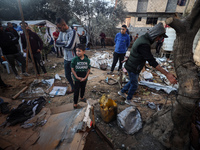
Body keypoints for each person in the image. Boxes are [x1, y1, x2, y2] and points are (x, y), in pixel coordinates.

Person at [118, 22, 177, 105]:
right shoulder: (144, 44)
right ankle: (128, 99)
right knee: (134, 84)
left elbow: (136, 52)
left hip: (133, 65)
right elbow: (152, 61)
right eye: (159, 37)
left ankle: (122, 91)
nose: (159, 39)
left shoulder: (143, 38)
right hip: (133, 67)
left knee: (132, 81)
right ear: (156, 35)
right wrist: (167, 74)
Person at [56, 18, 80, 94]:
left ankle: (77, 89)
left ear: (64, 25)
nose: (59, 30)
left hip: (74, 58)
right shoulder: (61, 33)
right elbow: (56, 43)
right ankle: (73, 88)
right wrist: (66, 42)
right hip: (66, 58)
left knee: (75, 75)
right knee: (67, 75)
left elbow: (70, 46)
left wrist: (62, 43)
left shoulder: (73, 32)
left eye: (59, 27)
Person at [71, 44, 90, 109]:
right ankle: (75, 103)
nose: (77, 52)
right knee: (76, 90)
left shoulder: (87, 60)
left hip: (84, 76)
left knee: (83, 88)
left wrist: (85, 77)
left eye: (79, 51)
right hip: (77, 78)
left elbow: (88, 69)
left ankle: (82, 97)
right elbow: (72, 69)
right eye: (76, 51)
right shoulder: (74, 60)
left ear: (84, 52)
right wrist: (76, 77)